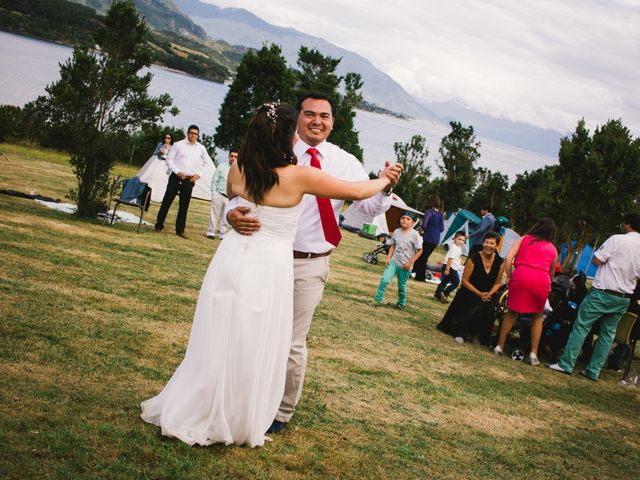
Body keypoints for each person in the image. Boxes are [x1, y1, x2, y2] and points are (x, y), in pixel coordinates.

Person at [140, 102, 393, 448]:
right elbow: (357, 191)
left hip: (235, 260)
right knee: (256, 339)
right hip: (270, 264)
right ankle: (239, 412)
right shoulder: (300, 176)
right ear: (287, 134)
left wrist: (234, 212)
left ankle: (221, 405)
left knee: (227, 333)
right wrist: (384, 178)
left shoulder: (239, 167)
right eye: (301, 122)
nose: (310, 126)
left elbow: (234, 195)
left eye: (323, 117)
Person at [226, 93, 402, 434]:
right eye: (309, 114)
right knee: (250, 330)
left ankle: (281, 411)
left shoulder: (344, 162)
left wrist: (384, 189)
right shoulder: (273, 150)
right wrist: (232, 213)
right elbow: (242, 191)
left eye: (324, 115)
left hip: (309, 264)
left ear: (333, 122)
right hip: (261, 257)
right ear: (297, 119)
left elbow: (363, 207)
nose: (316, 121)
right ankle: (243, 396)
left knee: (291, 341)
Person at [548, 213, 640, 381]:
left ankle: (566, 364)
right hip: (624, 297)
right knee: (607, 335)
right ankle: (593, 371)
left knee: (581, 326)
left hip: (603, 292)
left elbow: (597, 260)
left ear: (627, 225)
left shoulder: (617, 239)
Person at [493, 218, 558, 366]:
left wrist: (509, 276)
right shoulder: (553, 248)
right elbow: (553, 271)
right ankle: (533, 354)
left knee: (512, 313)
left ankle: (500, 346)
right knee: (537, 316)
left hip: (521, 275)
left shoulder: (523, 239)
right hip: (541, 279)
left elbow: (508, 259)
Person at [436, 231, 505, 344]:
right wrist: (479, 293)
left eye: (492, 243)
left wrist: (489, 293)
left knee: (490, 303)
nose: (488, 245)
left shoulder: (500, 262)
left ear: (496, 246)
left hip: (488, 293)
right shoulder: (473, 258)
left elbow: (498, 283)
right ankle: (460, 332)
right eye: (486, 242)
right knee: (471, 301)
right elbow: (464, 281)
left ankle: (477, 334)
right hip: (470, 290)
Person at [155, 125, 213, 238]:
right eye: (191, 133)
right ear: (187, 133)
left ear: (198, 135)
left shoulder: (201, 148)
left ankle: (180, 229)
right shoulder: (178, 145)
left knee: (184, 205)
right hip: (176, 177)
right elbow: (169, 159)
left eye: (195, 134)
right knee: (167, 201)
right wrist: (177, 171)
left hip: (189, 179)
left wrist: (199, 175)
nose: (193, 135)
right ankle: (159, 224)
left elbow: (207, 163)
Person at [371, 211, 423, 309]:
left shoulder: (415, 235)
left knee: (401, 286)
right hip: (394, 262)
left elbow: (420, 251)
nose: (405, 220)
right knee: (385, 280)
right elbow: (393, 245)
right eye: (403, 218)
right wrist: (389, 257)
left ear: (413, 223)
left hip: (405, 266)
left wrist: (410, 262)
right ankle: (378, 299)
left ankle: (401, 303)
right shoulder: (396, 231)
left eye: (408, 219)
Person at [206, 148, 238, 240]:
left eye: (236, 157)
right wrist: (214, 192)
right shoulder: (221, 166)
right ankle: (210, 232)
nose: (233, 158)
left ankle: (222, 234)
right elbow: (214, 179)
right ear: (229, 156)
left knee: (226, 217)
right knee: (214, 214)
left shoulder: (240, 169)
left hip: (231, 198)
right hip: (219, 194)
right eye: (232, 156)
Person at [413, 194, 444, 281]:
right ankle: (414, 271)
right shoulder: (440, 214)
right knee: (423, 256)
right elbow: (442, 228)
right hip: (436, 238)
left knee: (422, 256)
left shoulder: (429, 212)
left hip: (428, 237)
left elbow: (424, 225)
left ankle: (419, 276)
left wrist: (424, 231)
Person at [138, 133, 173, 202]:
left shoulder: (172, 147)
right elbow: (155, 153)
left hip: (166, 165)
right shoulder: (160, 144)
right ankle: (149, 196)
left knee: (163, 179)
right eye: (165, 137)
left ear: (171, 139)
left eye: (168, 138)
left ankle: (159, 197)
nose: (166, 139)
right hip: (158, 162)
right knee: (154, 177)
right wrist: (160, 151)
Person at [434, 230, 466, 303]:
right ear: (454, 239)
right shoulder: (454, 248)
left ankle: (437, 295)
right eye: (459, 239)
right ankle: (445, 292)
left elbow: (451, 258)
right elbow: (450, 259)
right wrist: (447, 269)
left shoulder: (458, 248)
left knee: (444, 281)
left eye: (463, 240)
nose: (461, 241)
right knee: (456, 282)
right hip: (450, 268)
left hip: (449, 266)